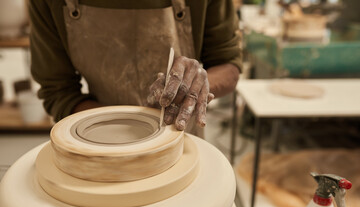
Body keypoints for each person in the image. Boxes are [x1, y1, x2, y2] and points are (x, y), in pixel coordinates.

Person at [29, 0, 242, 136]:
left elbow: (228, 65)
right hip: (101, 137)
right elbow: (58, 90)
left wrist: (195, 86)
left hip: (179, 135)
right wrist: (122, 128)